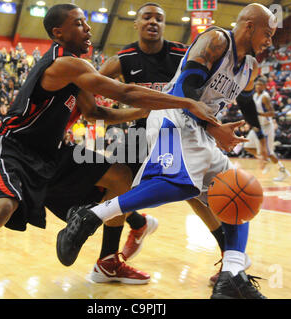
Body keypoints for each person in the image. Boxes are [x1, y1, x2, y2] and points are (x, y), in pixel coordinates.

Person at [0, 4, 219, 299]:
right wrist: (186, 102)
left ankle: (110, 259)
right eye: (78, 23)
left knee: (121, 178)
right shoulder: (66, 63)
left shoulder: (78, 68)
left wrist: (140, 113)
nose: (87, 28)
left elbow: (96, 114)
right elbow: (122, 91)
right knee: (2, 209)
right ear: (58, 33)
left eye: (86, 22)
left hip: (51, 154)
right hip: (13, 146)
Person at [57, 3, 277, 299]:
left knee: (239, 194)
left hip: (201, 129)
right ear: (249, 26)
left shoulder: (249, 66)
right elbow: (187, 91)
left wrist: (259, 136)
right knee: (180, 184)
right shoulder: (216, 40)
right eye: (268, 32)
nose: (270, 40)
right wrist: (215, 129)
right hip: (173, 118)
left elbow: (248, 103)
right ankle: (94, 217)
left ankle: (232, 276)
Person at [97, 2, 249, 286]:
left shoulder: (185, 52)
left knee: (193, 192)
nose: (152, 22)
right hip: (140, 134)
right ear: (137, 23)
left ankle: (229, 255)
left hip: (176, 131)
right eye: (146, 17)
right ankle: (112, 255)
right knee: (114, 182)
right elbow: (93, 82)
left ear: (164, 25)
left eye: (158, 18)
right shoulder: (124, 58)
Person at [243, 77, 290, 182]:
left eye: (260, 84)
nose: (258, 86)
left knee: (269, 152)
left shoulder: (265, 97)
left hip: (266, 127)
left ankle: (283, 171)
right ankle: (265, 159)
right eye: (257, 84)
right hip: (257, 126)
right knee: (247, 146)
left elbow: (273, 113)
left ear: (264, 86)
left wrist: (259, 114)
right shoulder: (255, 95)